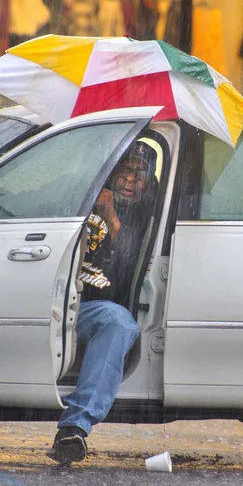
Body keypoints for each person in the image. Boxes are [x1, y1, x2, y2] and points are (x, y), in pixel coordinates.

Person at [48, 139, 158, 465]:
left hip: (93, 309)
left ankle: (74, 426)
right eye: (124, 172)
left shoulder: (145, 214)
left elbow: (124, 265)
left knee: (119, 322)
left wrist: (109, 215)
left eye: (138, 174)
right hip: (52, 299)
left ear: (149, 182)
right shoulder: (81, 195)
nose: (128, 181)